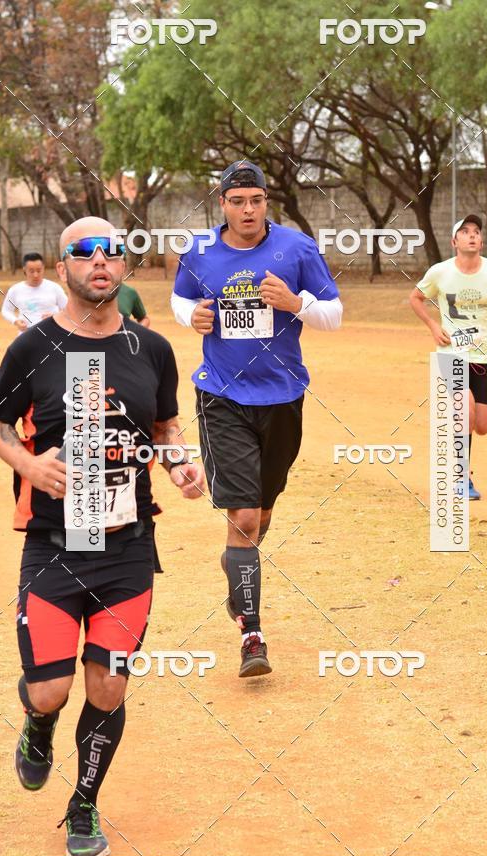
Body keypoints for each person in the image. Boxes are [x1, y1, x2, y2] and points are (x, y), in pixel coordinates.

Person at [0, 217, 204, 856]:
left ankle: (83, 804)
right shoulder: (34, 348)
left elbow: (165, 424)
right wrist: (27, 465)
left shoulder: (152, 349)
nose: (100, 260)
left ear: (124, 270)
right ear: (62, 269)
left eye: (112, 251)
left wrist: (180, 461)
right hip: (54, 543)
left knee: (108, 686)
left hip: (128, 545)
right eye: (84, 251)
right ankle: (40, 726)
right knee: (50, 689)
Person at [171, 160, 342, 677]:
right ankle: (252, 633)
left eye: (256, 200)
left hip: (284, 398)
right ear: (221, 203)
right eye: (237, 201)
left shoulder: (297, 249)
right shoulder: (198, 252)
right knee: (243, 518)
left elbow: (334, 314)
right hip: (222, 395)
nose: (248, 210)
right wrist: (192, 316)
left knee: (261, 516)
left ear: (267, 202)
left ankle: (238, 575)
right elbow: (180, 301)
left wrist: (296, 303)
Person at [409, 214, 487, 499]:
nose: (471, 235)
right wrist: (434, 325)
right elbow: (415, 298)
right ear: (454, 241)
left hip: (482, 357)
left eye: (476, 231)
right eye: (465, 231)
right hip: (451, 355)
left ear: (481, 240)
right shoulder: (440, 272)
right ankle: (461, 477)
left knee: (482, 425)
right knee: (465, 411)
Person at [1, 252, 67, 330]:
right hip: (26, 334)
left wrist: (55, 316)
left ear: (43, 268)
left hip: (51, 333)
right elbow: (6, 310)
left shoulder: (54, 288)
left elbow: (68, 310)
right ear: (24, 270)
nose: (35, 275)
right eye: (31, 271)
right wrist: (15, 321)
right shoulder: (15, 290)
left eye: (39, 271)